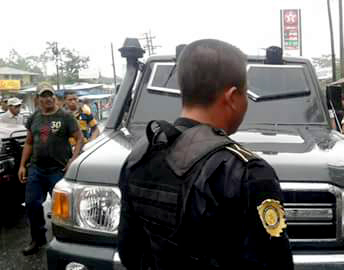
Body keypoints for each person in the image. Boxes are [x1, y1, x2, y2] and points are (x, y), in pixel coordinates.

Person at [117, 39, 293, 270]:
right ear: (232, 97)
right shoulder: (245, 171)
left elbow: (129, 251)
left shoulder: (140, 155)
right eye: (245, 95)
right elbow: (274, 264)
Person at [17, 82, 84, 255]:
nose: (48, 98)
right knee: (32, 204)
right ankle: (37, 239)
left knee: (63, 210)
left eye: (50, 95)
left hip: (58, 170)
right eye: (44, 96)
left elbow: (79, 139)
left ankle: (66, 241)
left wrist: (73, 160)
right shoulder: (34, 117)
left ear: (54, 97)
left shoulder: (66, 117)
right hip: (36, 169)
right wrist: (22, 165)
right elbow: (29, 142)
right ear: (38, 99)